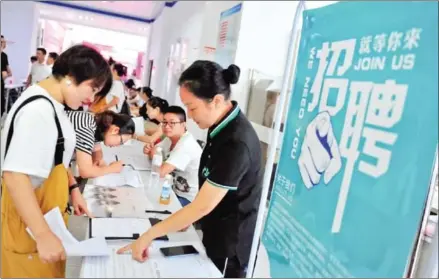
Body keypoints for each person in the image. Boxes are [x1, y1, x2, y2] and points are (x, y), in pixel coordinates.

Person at [117, 61, 262, 278]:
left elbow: (202, 206)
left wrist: (148, 236)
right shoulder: (219, 125)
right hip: (214, 227)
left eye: (192, 108)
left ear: (217, 101)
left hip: (230, 243)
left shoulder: (236, 142)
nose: (190, 116)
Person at [1, 44, 112, 278]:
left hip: (46, 215)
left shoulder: (54, 105)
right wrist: (42, 235)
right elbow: (15, 176)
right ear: (71, 77)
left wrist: (73, 189)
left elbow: (57, 158)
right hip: (29, 225)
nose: (91, 99)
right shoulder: (39, 111)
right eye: (92, 89)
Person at [143, 106, 202, 206]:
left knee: (148, 203)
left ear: (183, 124)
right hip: (170, 187)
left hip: (186, 199)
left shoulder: (186, 145)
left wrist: (154, 155)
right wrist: (152, 152)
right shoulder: (170, 138)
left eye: (172, 123)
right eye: (164, 122)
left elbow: (160, 172)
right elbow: (152, 153)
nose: (167, 126)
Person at [67, 110, 135, 178]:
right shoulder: (86, 129)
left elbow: (97, 151)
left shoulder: (96, 124)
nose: (118, 146)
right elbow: (85, 172)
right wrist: (112, 168)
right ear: (115, 130)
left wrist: (100, 163)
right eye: (121, 141)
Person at [1, 35, 12, 116]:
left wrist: (6, 74)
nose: (3, 44)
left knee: (2, 105)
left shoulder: (4, 56)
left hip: (1, 83)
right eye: (1, 42)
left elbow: (9, 72)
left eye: (4, 42)